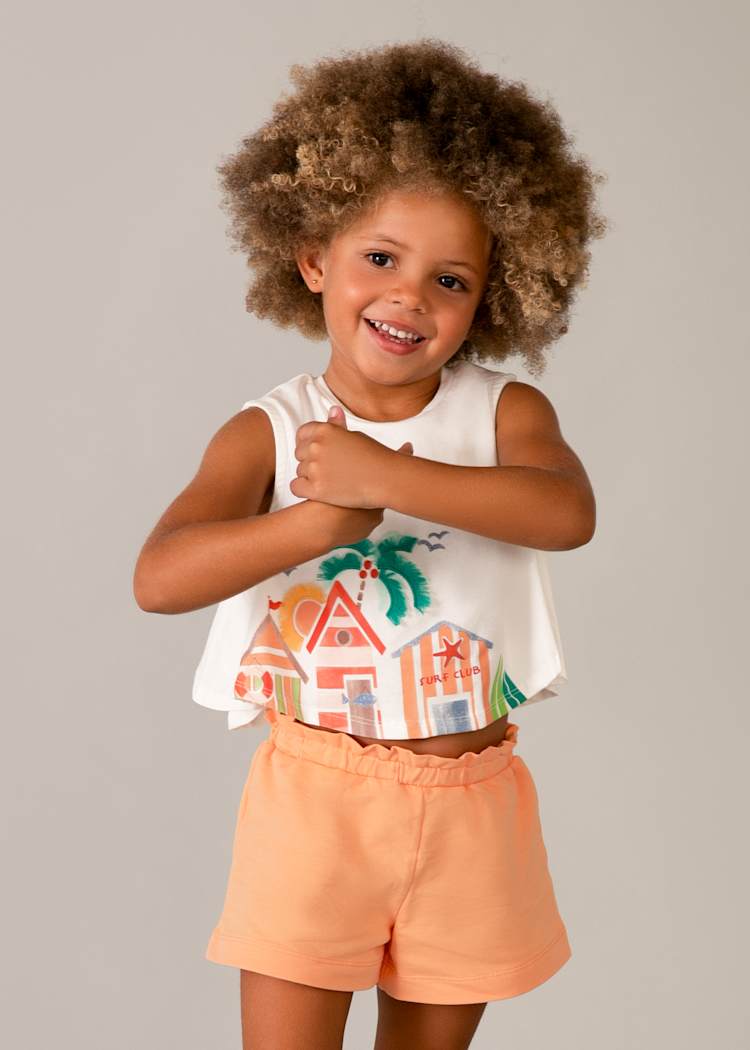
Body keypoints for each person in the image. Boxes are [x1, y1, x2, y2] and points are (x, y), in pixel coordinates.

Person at [134, 38, 606, 1050]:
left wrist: (384, 477)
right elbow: (159, 578)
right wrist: (312, 524)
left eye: (451, 279)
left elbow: (565, 513)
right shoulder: (267, 430)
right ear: (313, 258)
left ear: (492, 297)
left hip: (473, 806)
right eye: (380, 259)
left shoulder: (506, 413)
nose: (410, 297)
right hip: (317, 803)